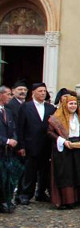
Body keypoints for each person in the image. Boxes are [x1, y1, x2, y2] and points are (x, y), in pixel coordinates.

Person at [16, 82, 56, 205]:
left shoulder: (50, 108)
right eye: (40, 91)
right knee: (29, 172)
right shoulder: (26, 107)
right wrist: (21, 145)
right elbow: (20, 127)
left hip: (46, 145)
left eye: (44, 91)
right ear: (33, 92)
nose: (43, 93)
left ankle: (41, 193)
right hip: (30, 144)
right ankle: (25, 194)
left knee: (44, 172)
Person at [47, 96, 80, 209]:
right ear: (65, 105)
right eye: (70, 104)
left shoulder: (79, 117)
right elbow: (50, 132)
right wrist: (63, 141)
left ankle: (78, 198)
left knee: (77, 172)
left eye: (75, 104)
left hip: (77, 148)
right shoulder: (57, 118)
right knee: (65, 174)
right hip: (63, 149)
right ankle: (65, 200)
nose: (73, 106)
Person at [0, 85, 19, 213]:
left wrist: (14, 139)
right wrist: (6, 141)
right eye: (8, 94)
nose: (10, 97)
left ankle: (6, 200)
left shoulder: (8, 111)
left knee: (8, 178)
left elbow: (13, 129)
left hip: (8, 152)